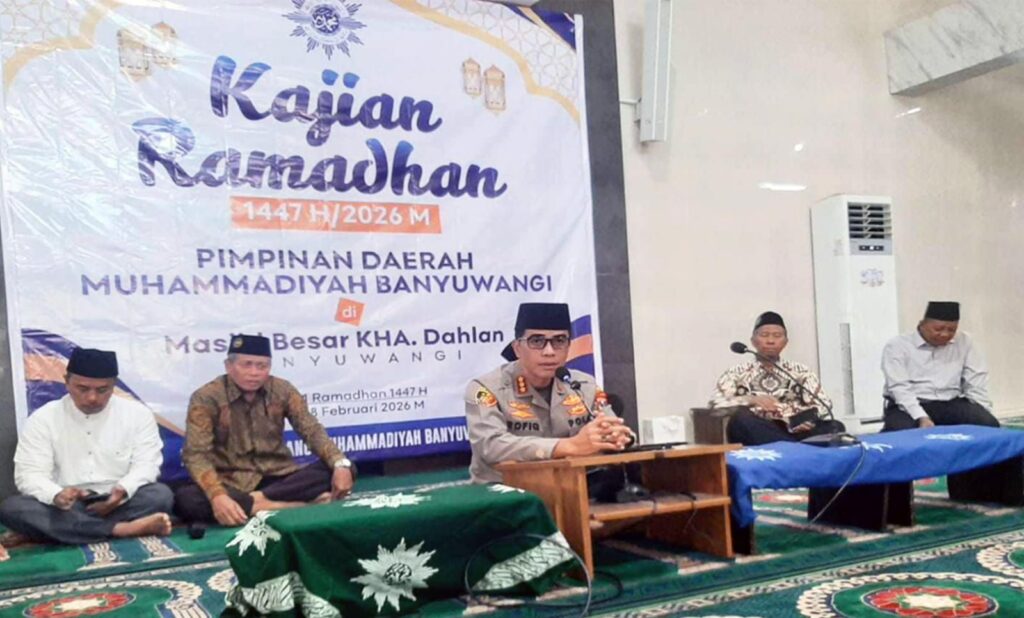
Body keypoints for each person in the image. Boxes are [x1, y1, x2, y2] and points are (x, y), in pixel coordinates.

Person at [0, 348, 173, 550]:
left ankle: (62, 531)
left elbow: (147, 465)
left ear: (114, 385)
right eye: (82, 389)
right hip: (66, 506)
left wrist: (122, 490)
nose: (92, 398)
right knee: (14, 508)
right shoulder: (43, 419)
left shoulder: (137, 415)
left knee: (160, 495)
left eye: (102, 390)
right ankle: (122, 529)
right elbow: (29, 475)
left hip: (118, 501)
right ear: (67, 382)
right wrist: (56, 494)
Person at [174, 334, 355, 526]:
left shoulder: (282, 389)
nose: (254, 372)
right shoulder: (206, 397)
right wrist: (217, 495)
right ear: (229, 366)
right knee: (187, 499)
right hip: (230, 482)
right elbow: (196, 454)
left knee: (345, 468)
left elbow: (311, 430)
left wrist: (339, 463)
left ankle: (255, 504)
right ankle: (294, 506)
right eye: (247, 365)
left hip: (279, 479)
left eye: (262, 366)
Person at [465, 302, 633, 484]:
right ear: (517, 348)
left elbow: (613, 429)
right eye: (537, 341)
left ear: (568, 346)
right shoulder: (485, 388)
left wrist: (618, 437)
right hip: (505, 491)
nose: (549, 352)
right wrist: (567, 446)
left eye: (559, 341)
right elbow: (491, 446)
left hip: (571, 487)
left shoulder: (583, 385)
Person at [709, 311, 845, 445]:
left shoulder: (801, 371)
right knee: (740, 420)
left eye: (777, 336)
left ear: (785, 342)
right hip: (757, 428)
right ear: (753, 341)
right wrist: (750, 400)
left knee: (835, 426)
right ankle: (793, 448)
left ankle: (788, 447)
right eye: (764, 335)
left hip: (794, 429)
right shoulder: (736, 373)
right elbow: (715, 405)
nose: (770, 341)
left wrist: (798, 419)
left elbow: (823, 404)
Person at [881, 301, 997, 431]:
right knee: (906, 434)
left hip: (950, 403)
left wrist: (983, 412)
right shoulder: (898, 345)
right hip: (908, 405)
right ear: (922, 324)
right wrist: (921, 417)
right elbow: (899, 388)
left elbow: (976, 381)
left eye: (951, 330)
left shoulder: (965, 342)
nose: (945, 334)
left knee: (989, 425)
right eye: (938, 329)